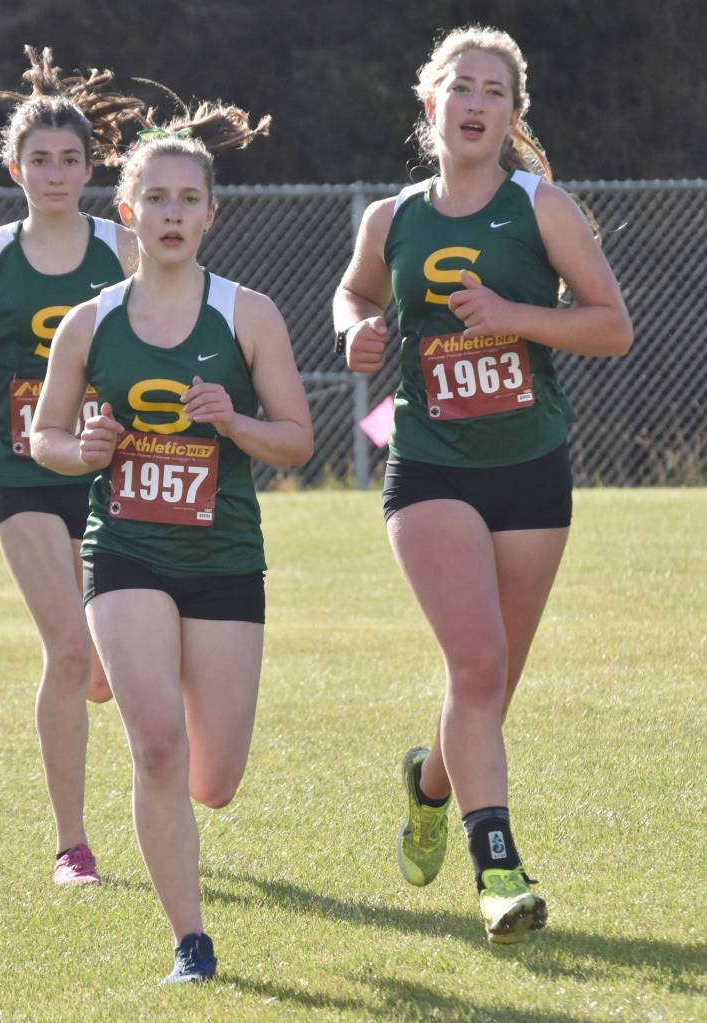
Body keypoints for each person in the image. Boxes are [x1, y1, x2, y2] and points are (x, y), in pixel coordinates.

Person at [333, 25, 632, 943]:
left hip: (532, 465)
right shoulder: (391, 217)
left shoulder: (542, 209)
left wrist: (513, 316)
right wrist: (358, 333)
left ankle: (429, 784)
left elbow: (611, 326)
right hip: (429, 461)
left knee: (490, 680)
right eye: (459, 86)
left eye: (492, 91)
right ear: (431, 106)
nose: (474, 103)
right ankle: (497, 867)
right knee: (475, 662)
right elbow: (355, 293)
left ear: (511, 114)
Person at [30, 102, 314, 982]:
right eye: (155, 198)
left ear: (210, 216)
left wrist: (234, 421)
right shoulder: (90, 323)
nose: (173, 214)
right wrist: (83, 449)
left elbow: (298, 440)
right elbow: (41, 436)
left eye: (189, 199)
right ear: (128, 213)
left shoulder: (249, 315)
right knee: (157, 743)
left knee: (212, 777)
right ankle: (191, 942)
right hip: (125, 551)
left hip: (225, 558)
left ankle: (174, 791)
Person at [0, 46, 145, 886]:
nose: (55, 173)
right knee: (68, 650)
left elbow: (162, 322)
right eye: (40, 160)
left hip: (104, 468)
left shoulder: (121, 247)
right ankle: (72, 846)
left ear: (91, 167)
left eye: (70, 159)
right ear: (15, 168)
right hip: (18, 469)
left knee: (95, 658)